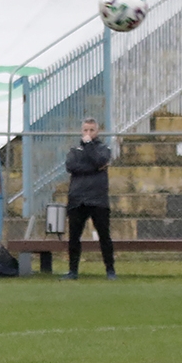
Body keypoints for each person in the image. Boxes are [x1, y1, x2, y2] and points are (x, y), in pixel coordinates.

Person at [62, 118, 115, 281]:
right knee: (74, 237)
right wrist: (93, 168)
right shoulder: (74, 150)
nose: (88, 133)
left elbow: (100, 160)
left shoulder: (103, 149)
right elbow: (71, 166)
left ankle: (110, 270)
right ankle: (72, 271)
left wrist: (90, 147)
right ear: (81, 131)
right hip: (77, 198)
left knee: (104, 236)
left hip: (98, 199)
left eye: (91, 130)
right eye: (85, 130)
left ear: (97, 132)